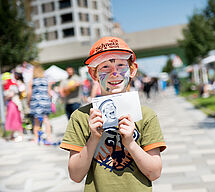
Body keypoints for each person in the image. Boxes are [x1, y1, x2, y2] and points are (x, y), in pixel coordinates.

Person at [60, 36, 166, 192]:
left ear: (132, 70)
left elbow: (155, 172)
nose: (114, 73)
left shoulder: (146, 115)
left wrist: (130, 143)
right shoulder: (81, 117)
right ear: (93, 73)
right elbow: (75, 175)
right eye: (105, 67)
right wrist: (94, 138)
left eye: (121, 65)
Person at [27, 63, 52, 143]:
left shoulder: (32, 81)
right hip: (45, 101)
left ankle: (36, 138)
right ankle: (48, 137)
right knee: (46, 119)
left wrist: (28, 102)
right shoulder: (46, 80)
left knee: (36, 120)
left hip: (36, 102)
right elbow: (49, 92)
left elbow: (29, 93)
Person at [2, 72, 23, 142]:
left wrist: (5, 97)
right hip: (12, 104)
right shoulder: (10, 85)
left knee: (15, 120)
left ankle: (20, 135)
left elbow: (11, 95)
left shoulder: (12, 86)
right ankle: (12, 136)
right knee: (12, 120)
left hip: (14, 104)